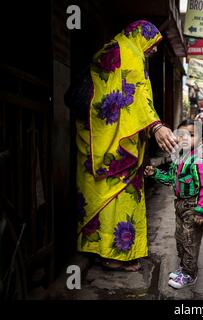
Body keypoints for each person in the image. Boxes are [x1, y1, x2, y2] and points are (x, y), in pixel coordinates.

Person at [74, 20, 178, 271]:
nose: (153, 50)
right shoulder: (130, 53)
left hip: (95, 136)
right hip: (114, 142)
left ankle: (97, 250)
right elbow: (135, 95)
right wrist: (156, 126)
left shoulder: (114, 46)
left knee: (96, 192)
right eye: (152, 43)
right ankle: (114, 256)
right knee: (119, 194)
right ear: (142, 36)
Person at [144, 119, 203, 289]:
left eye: (191, 134)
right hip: (180, 205)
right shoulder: (178, 160)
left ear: (201, 139)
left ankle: (190, 274)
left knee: (190, 240)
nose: (185, 138)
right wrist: (155, 173)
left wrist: (199, 210)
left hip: (193, 206)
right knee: (181, 238)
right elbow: (170, 179)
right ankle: (184, 267)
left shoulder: (199, 162)